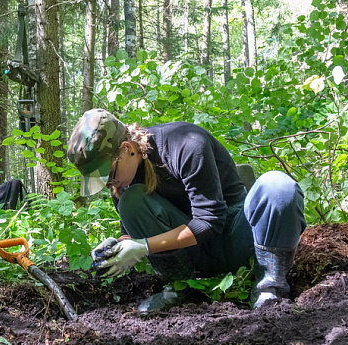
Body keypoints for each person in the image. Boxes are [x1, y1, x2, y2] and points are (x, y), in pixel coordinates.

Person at [67, 108, 306, 313]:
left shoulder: (186, 142)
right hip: (192, 257)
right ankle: (182, 290)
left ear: (127, 148)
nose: (110, 184)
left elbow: (210, 222)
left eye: (108, 175)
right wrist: (119, 245)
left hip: (236, 240)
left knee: (278, 186)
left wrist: (144, 247)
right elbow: (133, 229)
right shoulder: (123, 183)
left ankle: (269, 285)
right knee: (131, 201)